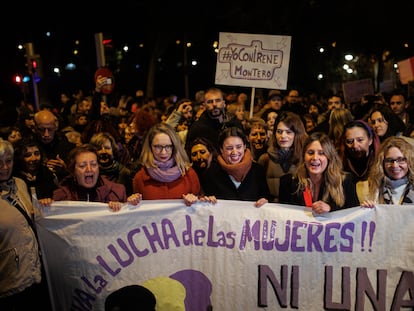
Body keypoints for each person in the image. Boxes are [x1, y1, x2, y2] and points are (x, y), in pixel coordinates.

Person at [0, 140, 52, 310]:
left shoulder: (20, 184)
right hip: (10, 284)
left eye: (8, 161)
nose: (5, 167)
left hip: (35, 276)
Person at [38, 144, 141, 211]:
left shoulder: (117, 192)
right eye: (82, 166)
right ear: (73, 170)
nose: (89, 169)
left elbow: (128, 223)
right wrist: (45, 207)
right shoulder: (60, 196)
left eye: (93, 164)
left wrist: (131, 204)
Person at [133, 123, 215, 205]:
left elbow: (200, 206)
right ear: (150, 147)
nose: (163, 152)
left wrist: (202, 200)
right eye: (158, 147)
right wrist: (132, 202)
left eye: (168, 146)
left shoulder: (189, 174)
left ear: (175, 147)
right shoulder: (140, 178)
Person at [279, 132, 359, 213]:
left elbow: (354, 214)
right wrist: (267, 207)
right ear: (303, 156)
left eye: (321, 153)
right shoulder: (288, 182)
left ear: (329, 157)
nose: (315, 157)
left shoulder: (345, 181)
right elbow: (281, 215)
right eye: (310, 153)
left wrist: (331, 208)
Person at [199, 126, 272, 207]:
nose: (234, 152)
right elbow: (204, 201)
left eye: (238, 147)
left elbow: (267, 197)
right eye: (229, 148)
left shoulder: (258, 171)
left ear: (244, 146)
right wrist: (207, 200)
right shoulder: (211, 173)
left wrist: (265, 201)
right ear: (221, 150)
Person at [257, 112, 307, 202]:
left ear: (297, 134)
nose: (283, 136)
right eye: (279, 132)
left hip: (297, 213)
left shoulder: (305, 160)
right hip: (271, 213)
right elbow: (259, 190)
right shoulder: (265, 159)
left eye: (288, 132)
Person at [360, 136, 414, 207]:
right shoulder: (367, 188)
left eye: (401, 160)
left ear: (410, 161)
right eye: (389, 160)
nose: (395, 165)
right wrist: (364, 210)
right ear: (382, 163)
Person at [33, 109, 76, 182]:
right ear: (35, 128)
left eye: (50, 129)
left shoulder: (66, 145)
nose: (46, 134)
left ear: (55, 127)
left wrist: (64, 168)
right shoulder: (29, 145)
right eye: (42, 130)